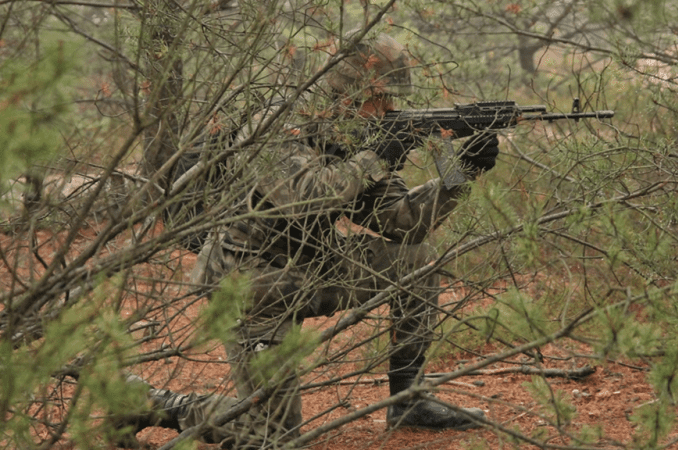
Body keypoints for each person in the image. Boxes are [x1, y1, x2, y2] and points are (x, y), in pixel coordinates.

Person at [113, 30, 500, 449]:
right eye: (381, 97)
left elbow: (401, 222)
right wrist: (373, 157)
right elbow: (305, 198)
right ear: (347, 89)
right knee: (272, 434)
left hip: (312, 267)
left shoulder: (358, 135)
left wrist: (462, 173)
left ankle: (410, 399)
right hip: (252, 287)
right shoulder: (282, 123)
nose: (389, 108)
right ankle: (150, 402)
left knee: (416, 258)